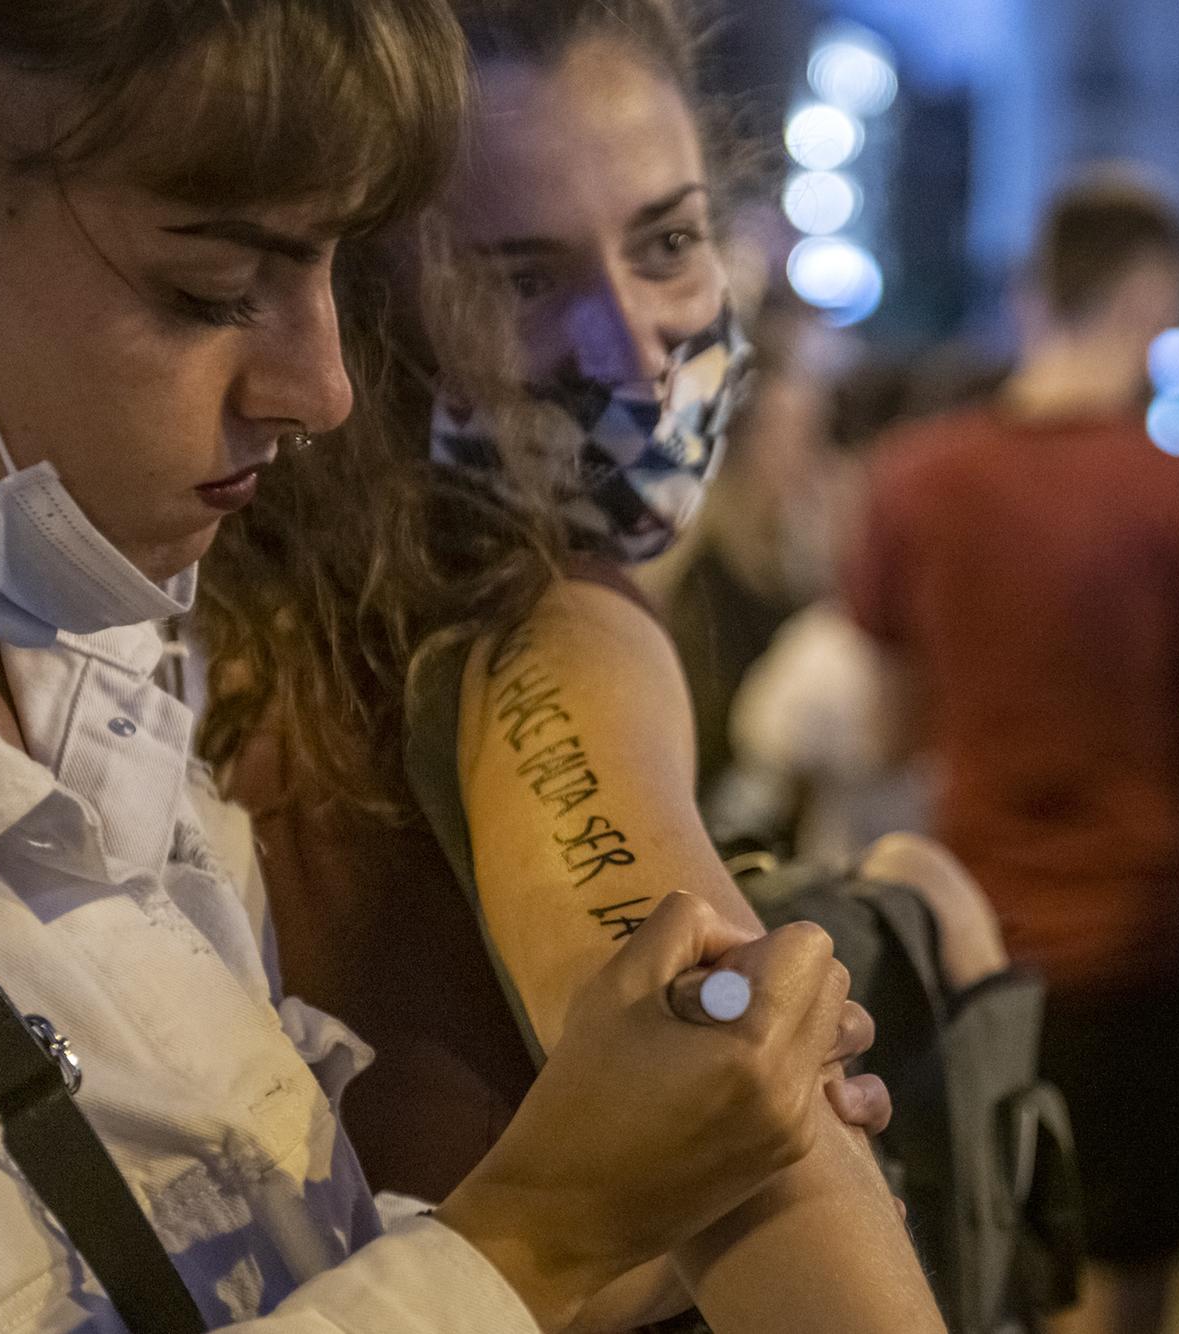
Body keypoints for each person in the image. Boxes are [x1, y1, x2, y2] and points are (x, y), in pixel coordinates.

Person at [0, 2, 872, 1331]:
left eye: (337, 268)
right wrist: (543, 1232)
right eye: (215, 291)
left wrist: (651, 1176)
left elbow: (220, 1255)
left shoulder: (74, 610)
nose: (322, 385)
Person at [196, 3, 998, 1331]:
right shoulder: (543, 619)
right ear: (372, 307)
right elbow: (712, 1086)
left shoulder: (267, 616)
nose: (628, 347)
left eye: (668, 242)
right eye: (520, 279)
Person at [844, 170, 1179, 1334]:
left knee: (981, 1265)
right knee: (1121, 1279)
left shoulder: (914, 480)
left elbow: (882, 730)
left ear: (1030, 289)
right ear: (1148, 294)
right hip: (1139, 937)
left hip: (968, 938)